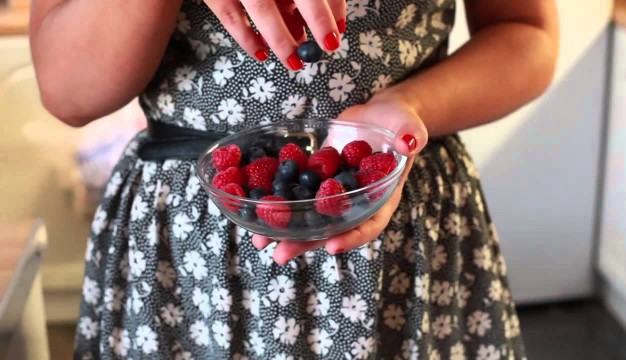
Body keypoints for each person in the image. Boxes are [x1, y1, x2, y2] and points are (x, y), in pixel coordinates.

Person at [30, 0, 558, 358]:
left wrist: (408, 104)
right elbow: (68, 90)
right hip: (187, 251)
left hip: (400, 223)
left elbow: (527, 33)